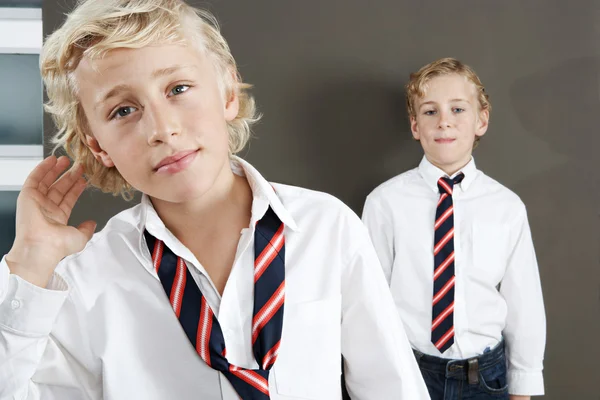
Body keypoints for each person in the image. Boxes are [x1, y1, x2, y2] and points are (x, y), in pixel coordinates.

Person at [0, 1, 429, 399]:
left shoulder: (327, 227)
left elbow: (394, 388)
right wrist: (28, 265)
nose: (162, 129)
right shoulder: (84, 279)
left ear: (227, 91)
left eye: (178, 88)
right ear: (99, 148)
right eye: (123, 111)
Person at [362, 58, 546, 400]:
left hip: (485, 377)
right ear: (415, 126)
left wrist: (524, 383)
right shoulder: (384, 203)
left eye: (458, 109)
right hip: (409, 370)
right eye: (430, 112)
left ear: (482, 120)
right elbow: (370, 299)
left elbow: (524, 302)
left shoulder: (506, 207)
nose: (444, 121)